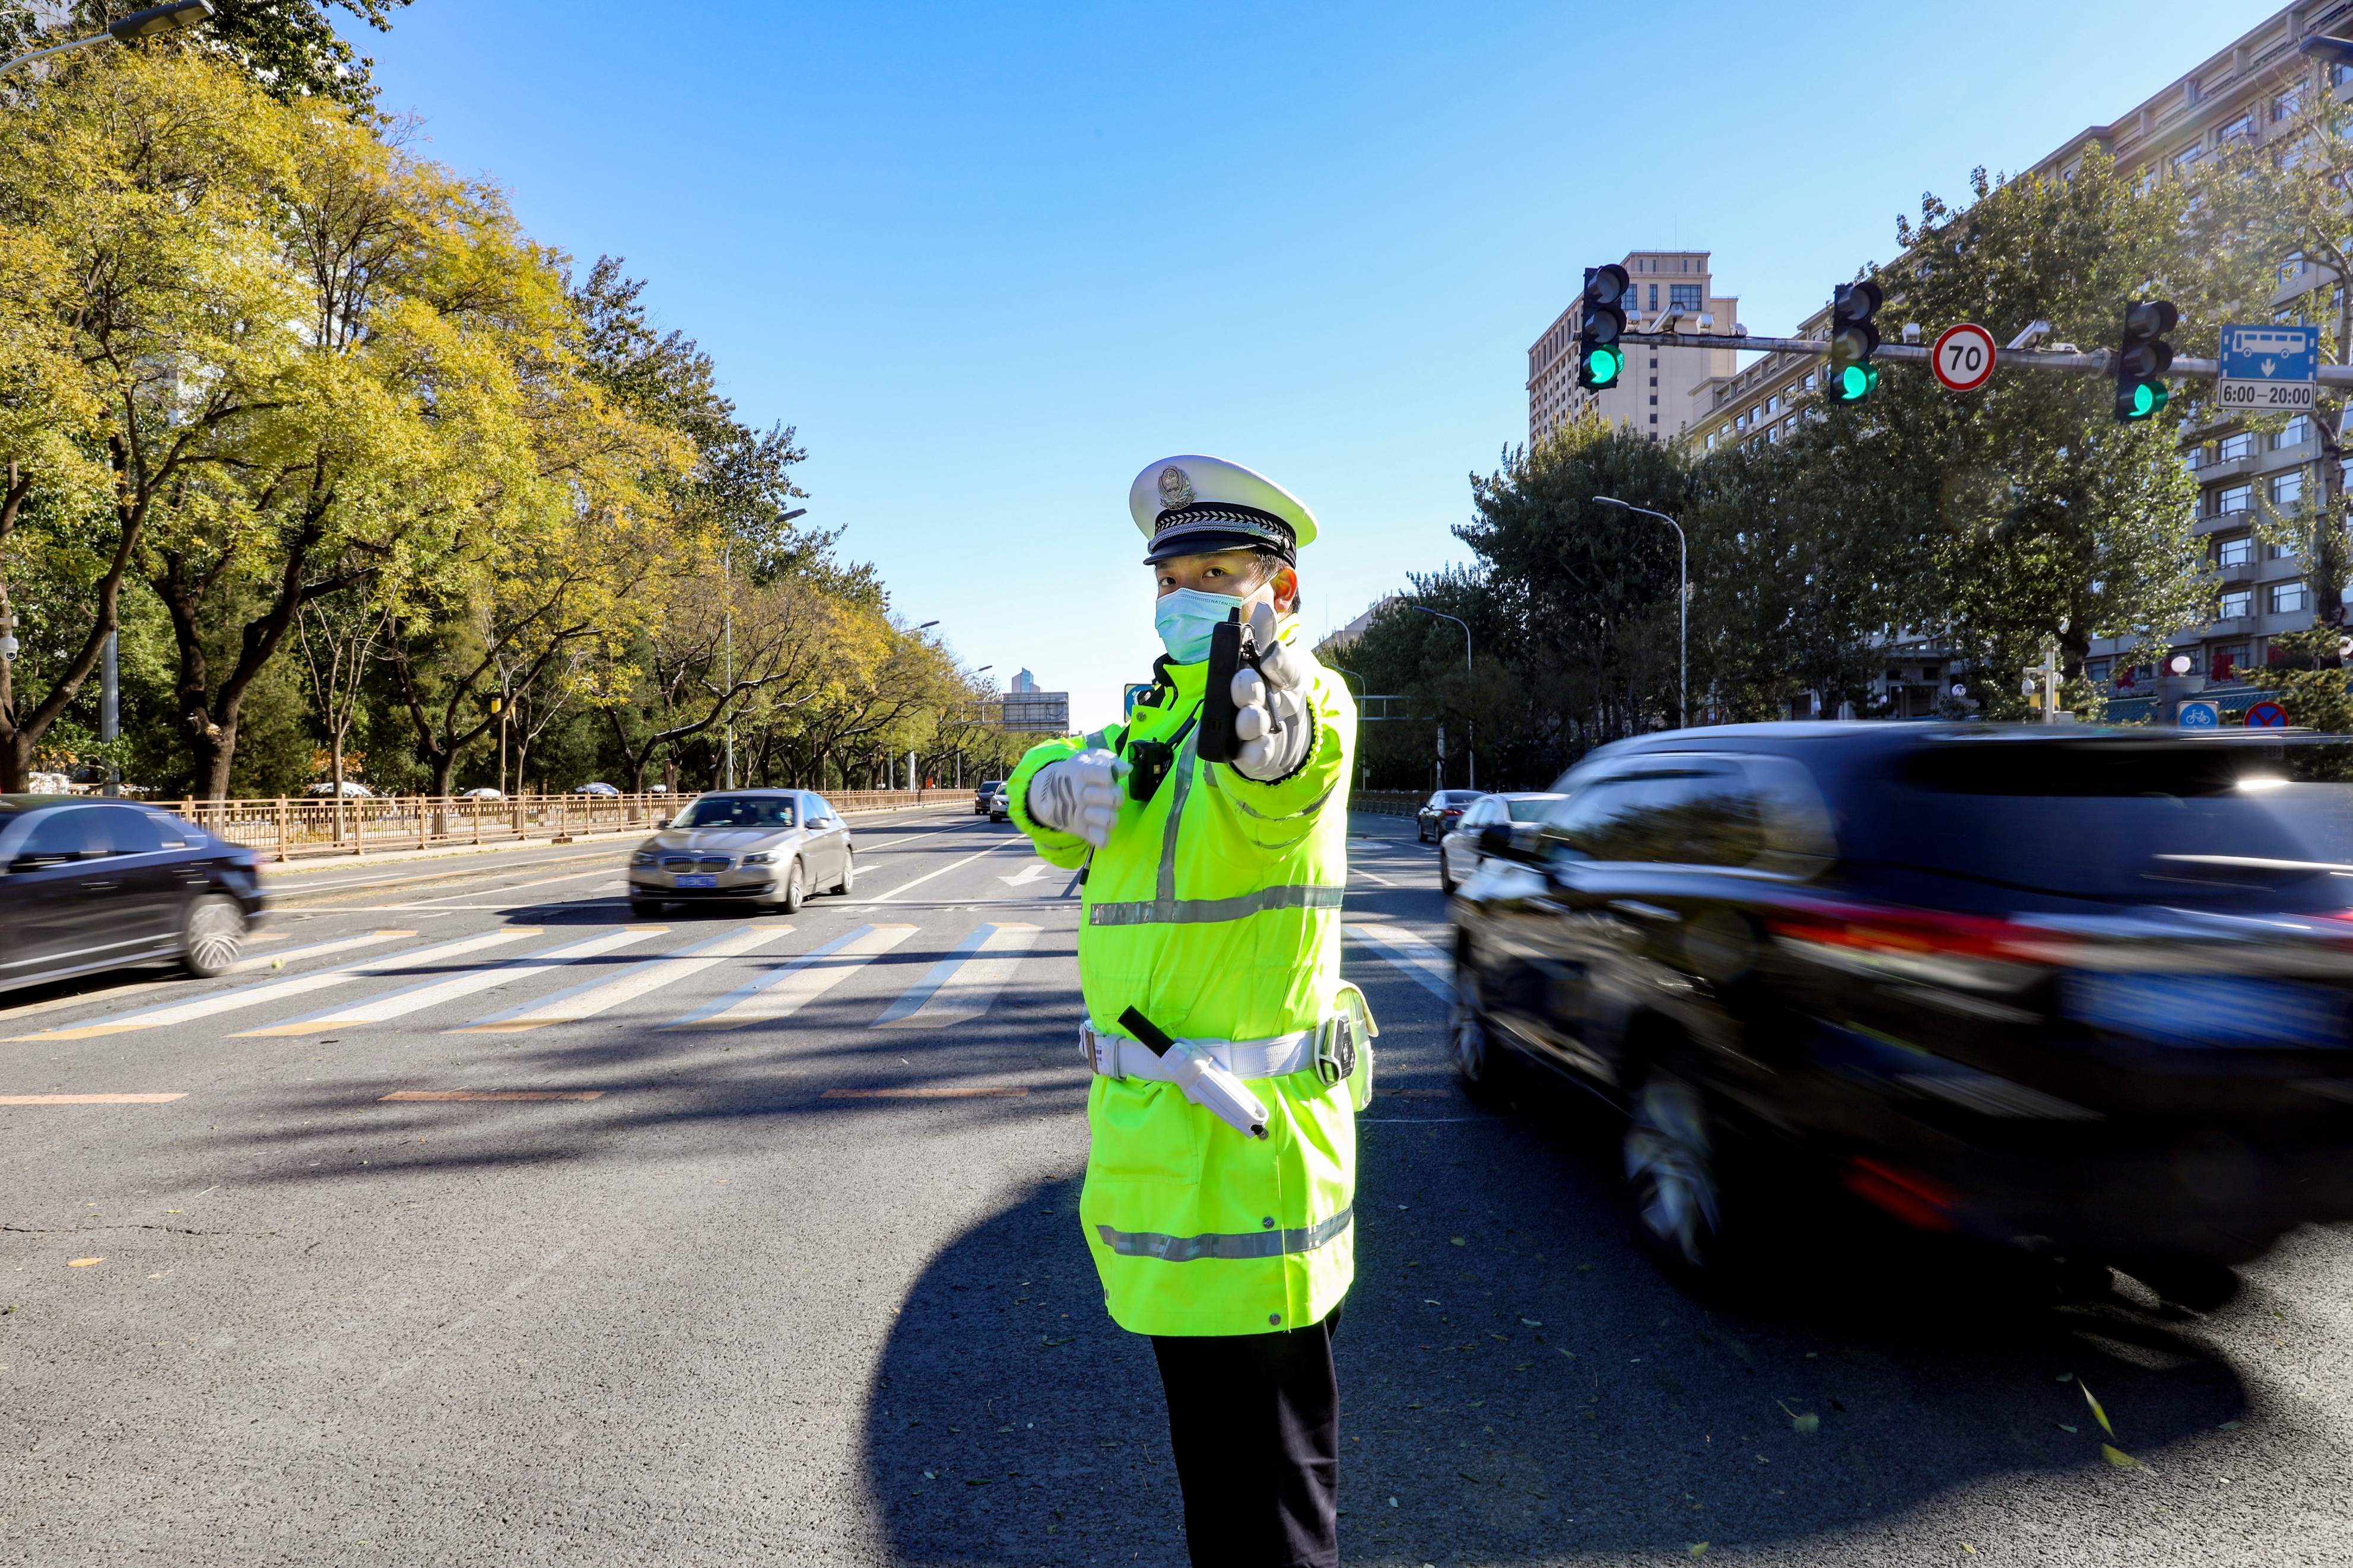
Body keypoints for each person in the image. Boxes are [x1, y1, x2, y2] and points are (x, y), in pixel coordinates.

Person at [1006, 454, 1371, 1567]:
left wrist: (1279, 742)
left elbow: (1286, 770)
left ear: (1283, 591)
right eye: (1169, 575)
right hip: (1163, 1169)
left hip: (1247, 1172)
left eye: (1220, 570)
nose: (1186, 592)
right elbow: (1073, 775)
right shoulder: (1150, 723)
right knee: (1219, 1501)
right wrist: (1041, 784)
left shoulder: (1297, 699)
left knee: (1268, 1521)